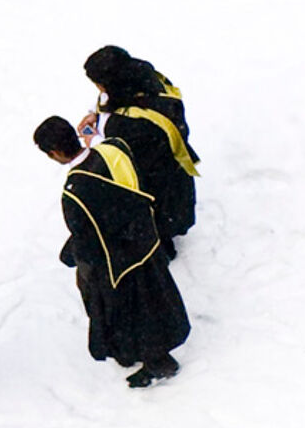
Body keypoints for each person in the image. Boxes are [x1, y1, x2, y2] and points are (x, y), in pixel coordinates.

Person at [33, 116, 191, 388]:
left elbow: (88, 241)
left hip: (119, 261)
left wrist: (73, 256)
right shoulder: (115, 148)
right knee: (155, 300)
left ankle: (153, 360)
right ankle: (153, 353)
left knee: (130, 312)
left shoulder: (75, 192)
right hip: (145, 239)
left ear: (55, 153)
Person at [77, 46, 199, 257]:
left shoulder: (133, 126)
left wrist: (94, 139)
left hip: (156, 181)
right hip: (171, 167)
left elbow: (119, 156)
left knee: (155, 220)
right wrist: (95, 114)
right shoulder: (146, 79)